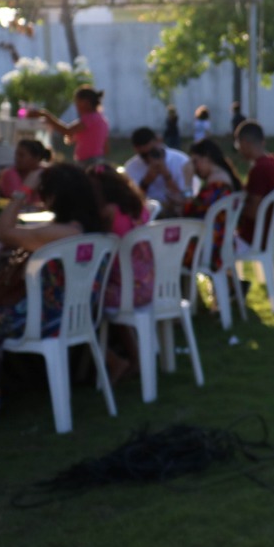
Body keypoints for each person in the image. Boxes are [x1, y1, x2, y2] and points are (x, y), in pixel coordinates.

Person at [0, 163, 108, 428]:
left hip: (45, 317)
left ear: (57, 196)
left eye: (44, 192)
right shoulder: (87, 227)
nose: (41, 198)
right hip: (66, 311)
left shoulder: (60, 233)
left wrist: (23, 189)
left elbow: (0, 231)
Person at [87, 164, 152, 384]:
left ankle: (112, 359)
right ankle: (135, 358)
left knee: (80, 303)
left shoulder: (107, 212)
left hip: (125, 291)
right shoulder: (140, 207)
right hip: (149, 285)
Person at [180, 138, 243, 273]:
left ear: (207, 157)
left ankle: (184, 287)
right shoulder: (224, 177)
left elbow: (189, 214)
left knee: (167, 250)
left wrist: (187, 183)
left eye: (195, 162)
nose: (194, 168)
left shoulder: (216, 184)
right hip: (221, 242)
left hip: (210, 248)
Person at [233, 119, 274, 246]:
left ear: (244, 143)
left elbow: (254, 211)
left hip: (250, 239)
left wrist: (234, 208)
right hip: (268, 236)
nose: (239, 149)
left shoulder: (259, 169)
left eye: (238, 144)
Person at [27, 86, 110, 166]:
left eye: (77, 102)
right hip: (98, 160)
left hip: (88, 162)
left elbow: (67, 130)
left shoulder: (89, 119)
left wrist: (46, 115)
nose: (76, 106)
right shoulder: (101, 119)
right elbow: (104, 146)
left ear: (85, 102)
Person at [123, 127, 192, 218]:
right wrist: (146, 182)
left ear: (159, 141)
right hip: (148, 214)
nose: (149, 158)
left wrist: (166, 175)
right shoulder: (131, 167)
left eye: (152, 152)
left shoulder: (181, 161)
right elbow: (131, 201)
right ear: (136, 149)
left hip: (176, 212)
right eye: (144, 155)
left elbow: (186, 198)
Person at [0, 139, 52, 203]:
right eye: (16, 154)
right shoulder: (10, 174)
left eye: (21, 155)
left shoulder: (44, 175)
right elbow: (19, 201)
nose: (17, 158)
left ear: (36, 158)